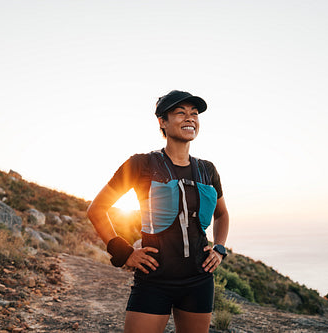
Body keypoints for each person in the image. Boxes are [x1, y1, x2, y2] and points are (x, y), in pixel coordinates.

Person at [87, 90, 229, 333]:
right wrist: (125, 253)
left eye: (194, 114)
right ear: (162, 122)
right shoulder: (140, 164)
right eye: (180, 113)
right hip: (154, 280)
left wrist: (219, 248)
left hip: (198, 279)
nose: (190, 118)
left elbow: (222, 215)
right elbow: (97, 209)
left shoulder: (207, 170)